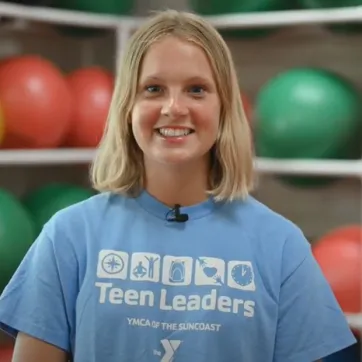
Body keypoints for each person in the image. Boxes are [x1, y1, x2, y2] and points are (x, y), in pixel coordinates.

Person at [0, 9, 356, 362]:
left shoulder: (281, 246)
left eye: (196, 90)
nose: (173, 107)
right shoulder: (69, 235)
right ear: (128, 107)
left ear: (224, 109)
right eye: (153, 89)